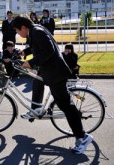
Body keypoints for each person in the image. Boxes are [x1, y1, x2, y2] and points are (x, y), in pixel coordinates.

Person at [12, 16, 93, 155]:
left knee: (66, 106)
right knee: (37, 79)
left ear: (23, 27)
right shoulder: (35, 30)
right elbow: (38, 47)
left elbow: (48, 51)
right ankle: (36, 108)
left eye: (17, 31)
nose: (18, 34)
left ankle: (82, 137)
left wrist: (30, 63)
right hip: (48, 71)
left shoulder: (37, 31)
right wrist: (26, 52)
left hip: (56, 74)